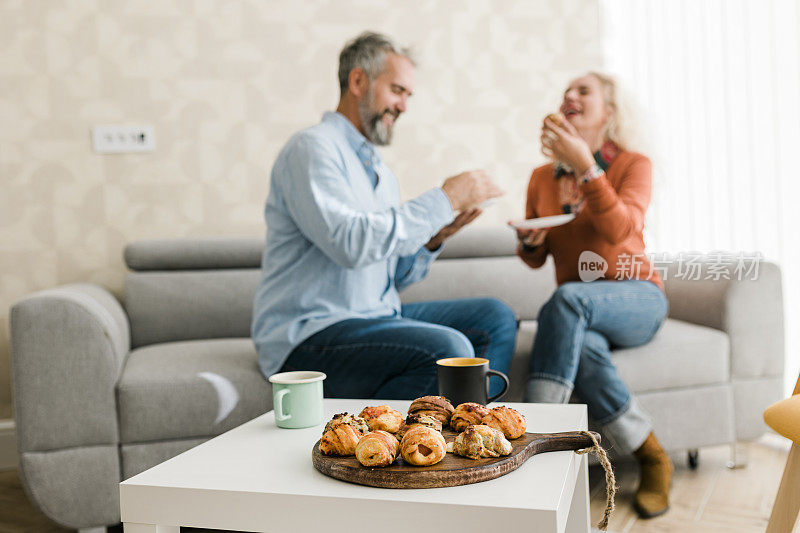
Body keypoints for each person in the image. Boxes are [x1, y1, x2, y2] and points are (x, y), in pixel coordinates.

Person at [252, 32, 518, 401]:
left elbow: (390, 277)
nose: (404, 106)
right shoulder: (312, 149)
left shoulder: (381, 173)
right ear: (358, 81)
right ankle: (425, 445)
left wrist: (432, 239)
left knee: (494, 317)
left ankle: (474, 432)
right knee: (446, 348)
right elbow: (350, 245)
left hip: (375, 317)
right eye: (397, 90)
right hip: (310, 335)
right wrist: (445, 198)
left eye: (408, 95)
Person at [513, 72, 672, 518]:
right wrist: (529, 241)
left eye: (584, 91)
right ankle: (652, 456)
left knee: (567, 301)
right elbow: (536, 253)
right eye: (566, 90)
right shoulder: (541, 177)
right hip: (580, 313)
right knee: (579, 342)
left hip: (636, 297)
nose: (570, 95)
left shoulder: (633, 164)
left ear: (610, 112)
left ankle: (537, 439)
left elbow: (621, 228)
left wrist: (587, 166)